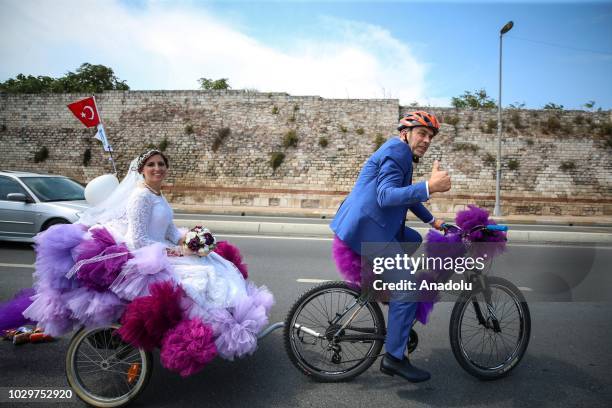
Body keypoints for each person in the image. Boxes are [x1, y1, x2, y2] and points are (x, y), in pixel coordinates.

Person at [2, 149, 273, 376]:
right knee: (200, 282)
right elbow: (139, 240)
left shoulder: (158, 195)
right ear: (142, 170)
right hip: (145, 257)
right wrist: (178, 254)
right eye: (151, 164)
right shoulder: (140, 196)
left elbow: (167, 232)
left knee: (217, 265)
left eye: (161, 164)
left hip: (162, 248)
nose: (157, 168)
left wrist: (192, 241)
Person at [330, 111, 451, 383]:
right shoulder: (398, 151)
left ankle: (385, 286)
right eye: (421, 133)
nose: (426, 140)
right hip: (369, 228)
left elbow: (403, 196)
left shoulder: (401, 153)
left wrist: (433, 221)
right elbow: (386, 196)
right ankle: (394, 358)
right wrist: (429, 187)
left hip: (373, 225)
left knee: (413, 239)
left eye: (430, 136)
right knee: (408, 287)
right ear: (405, 133)